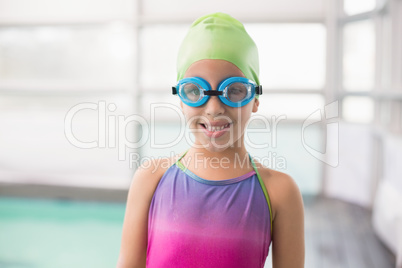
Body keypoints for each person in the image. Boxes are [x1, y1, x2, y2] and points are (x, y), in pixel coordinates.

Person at [116, 12, 304, 268]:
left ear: (255, 100)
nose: (214, 108)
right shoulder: (151, 179)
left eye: (234, 91)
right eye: (195, 91)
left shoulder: (280, 192)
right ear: (181, 101)